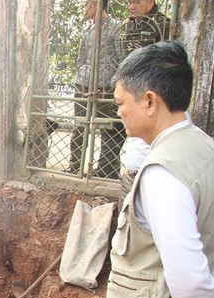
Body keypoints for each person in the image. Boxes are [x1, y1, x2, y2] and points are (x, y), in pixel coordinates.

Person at [104, 41, 214, 298]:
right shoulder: (203, 147)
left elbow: (185, 267)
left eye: (122, 102)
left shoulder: (162, 174)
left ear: (150, 101)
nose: (118, 112)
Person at [65, 0, 125, 179]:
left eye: (87, 4)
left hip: (105, 87)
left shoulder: (115, 28)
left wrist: (113, 81)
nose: (85, 8)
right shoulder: (87, 31)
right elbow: (81, 58)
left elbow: (121, 59)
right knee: (80, 126)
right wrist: (82, 75)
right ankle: (75, 165)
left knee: (108, 128)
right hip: (84, 84)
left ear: (98, 5)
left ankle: (107, 169)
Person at [118, 0, 170, 195]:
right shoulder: (126, 25)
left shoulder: (163, 24)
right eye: (129, 2)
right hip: (130, 86)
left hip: (150, 87)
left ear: (150, 2)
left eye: (136, 2)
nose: (131, 6)